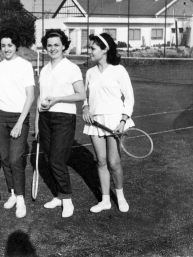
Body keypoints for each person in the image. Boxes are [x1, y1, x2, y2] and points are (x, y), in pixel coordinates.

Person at [34, 29, 86, 218]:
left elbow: (81, 95)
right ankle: (58, 194)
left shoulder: (71, 67)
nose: (53, 48)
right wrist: (37, 121)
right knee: (48, 158)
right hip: (45, 118)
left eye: (57, 44)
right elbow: (40, 97)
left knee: (57, 159)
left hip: (64, 117)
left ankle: (67, 200)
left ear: (64, 46)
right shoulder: (44, 69)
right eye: (49, 45)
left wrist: (57, 99)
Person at [82, 33, 135, 213]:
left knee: (114, 162)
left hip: (114, 122)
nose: (90, 51)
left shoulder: (119, 70)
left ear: (105, 49)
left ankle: (120, 197)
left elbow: (129, 98)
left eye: (93, 48)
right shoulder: (90, 72)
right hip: (95, 123)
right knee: (101, 161)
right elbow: (86, 98)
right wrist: (85, 108)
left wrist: (123, 120)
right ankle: (105, 200)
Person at [0, 28, 35, 218]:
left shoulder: (25, 66)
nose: (6, 49)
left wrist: (19, 123)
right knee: (5, 159)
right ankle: (13, 193)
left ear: (16, 46)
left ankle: (21, 199)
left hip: (19, 118)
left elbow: (30, 97)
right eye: (3, 45)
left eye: (10, 45)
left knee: (16, 159)